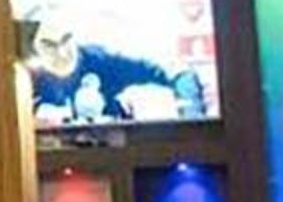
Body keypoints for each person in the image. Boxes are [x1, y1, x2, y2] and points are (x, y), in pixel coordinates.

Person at [26, 15, 199, 122]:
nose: (62, 53)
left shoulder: (104, 60)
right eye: (49, 46)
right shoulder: (25, 79)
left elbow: (178, 70)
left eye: (66, 40)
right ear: (33, 50)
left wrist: (192, 120)